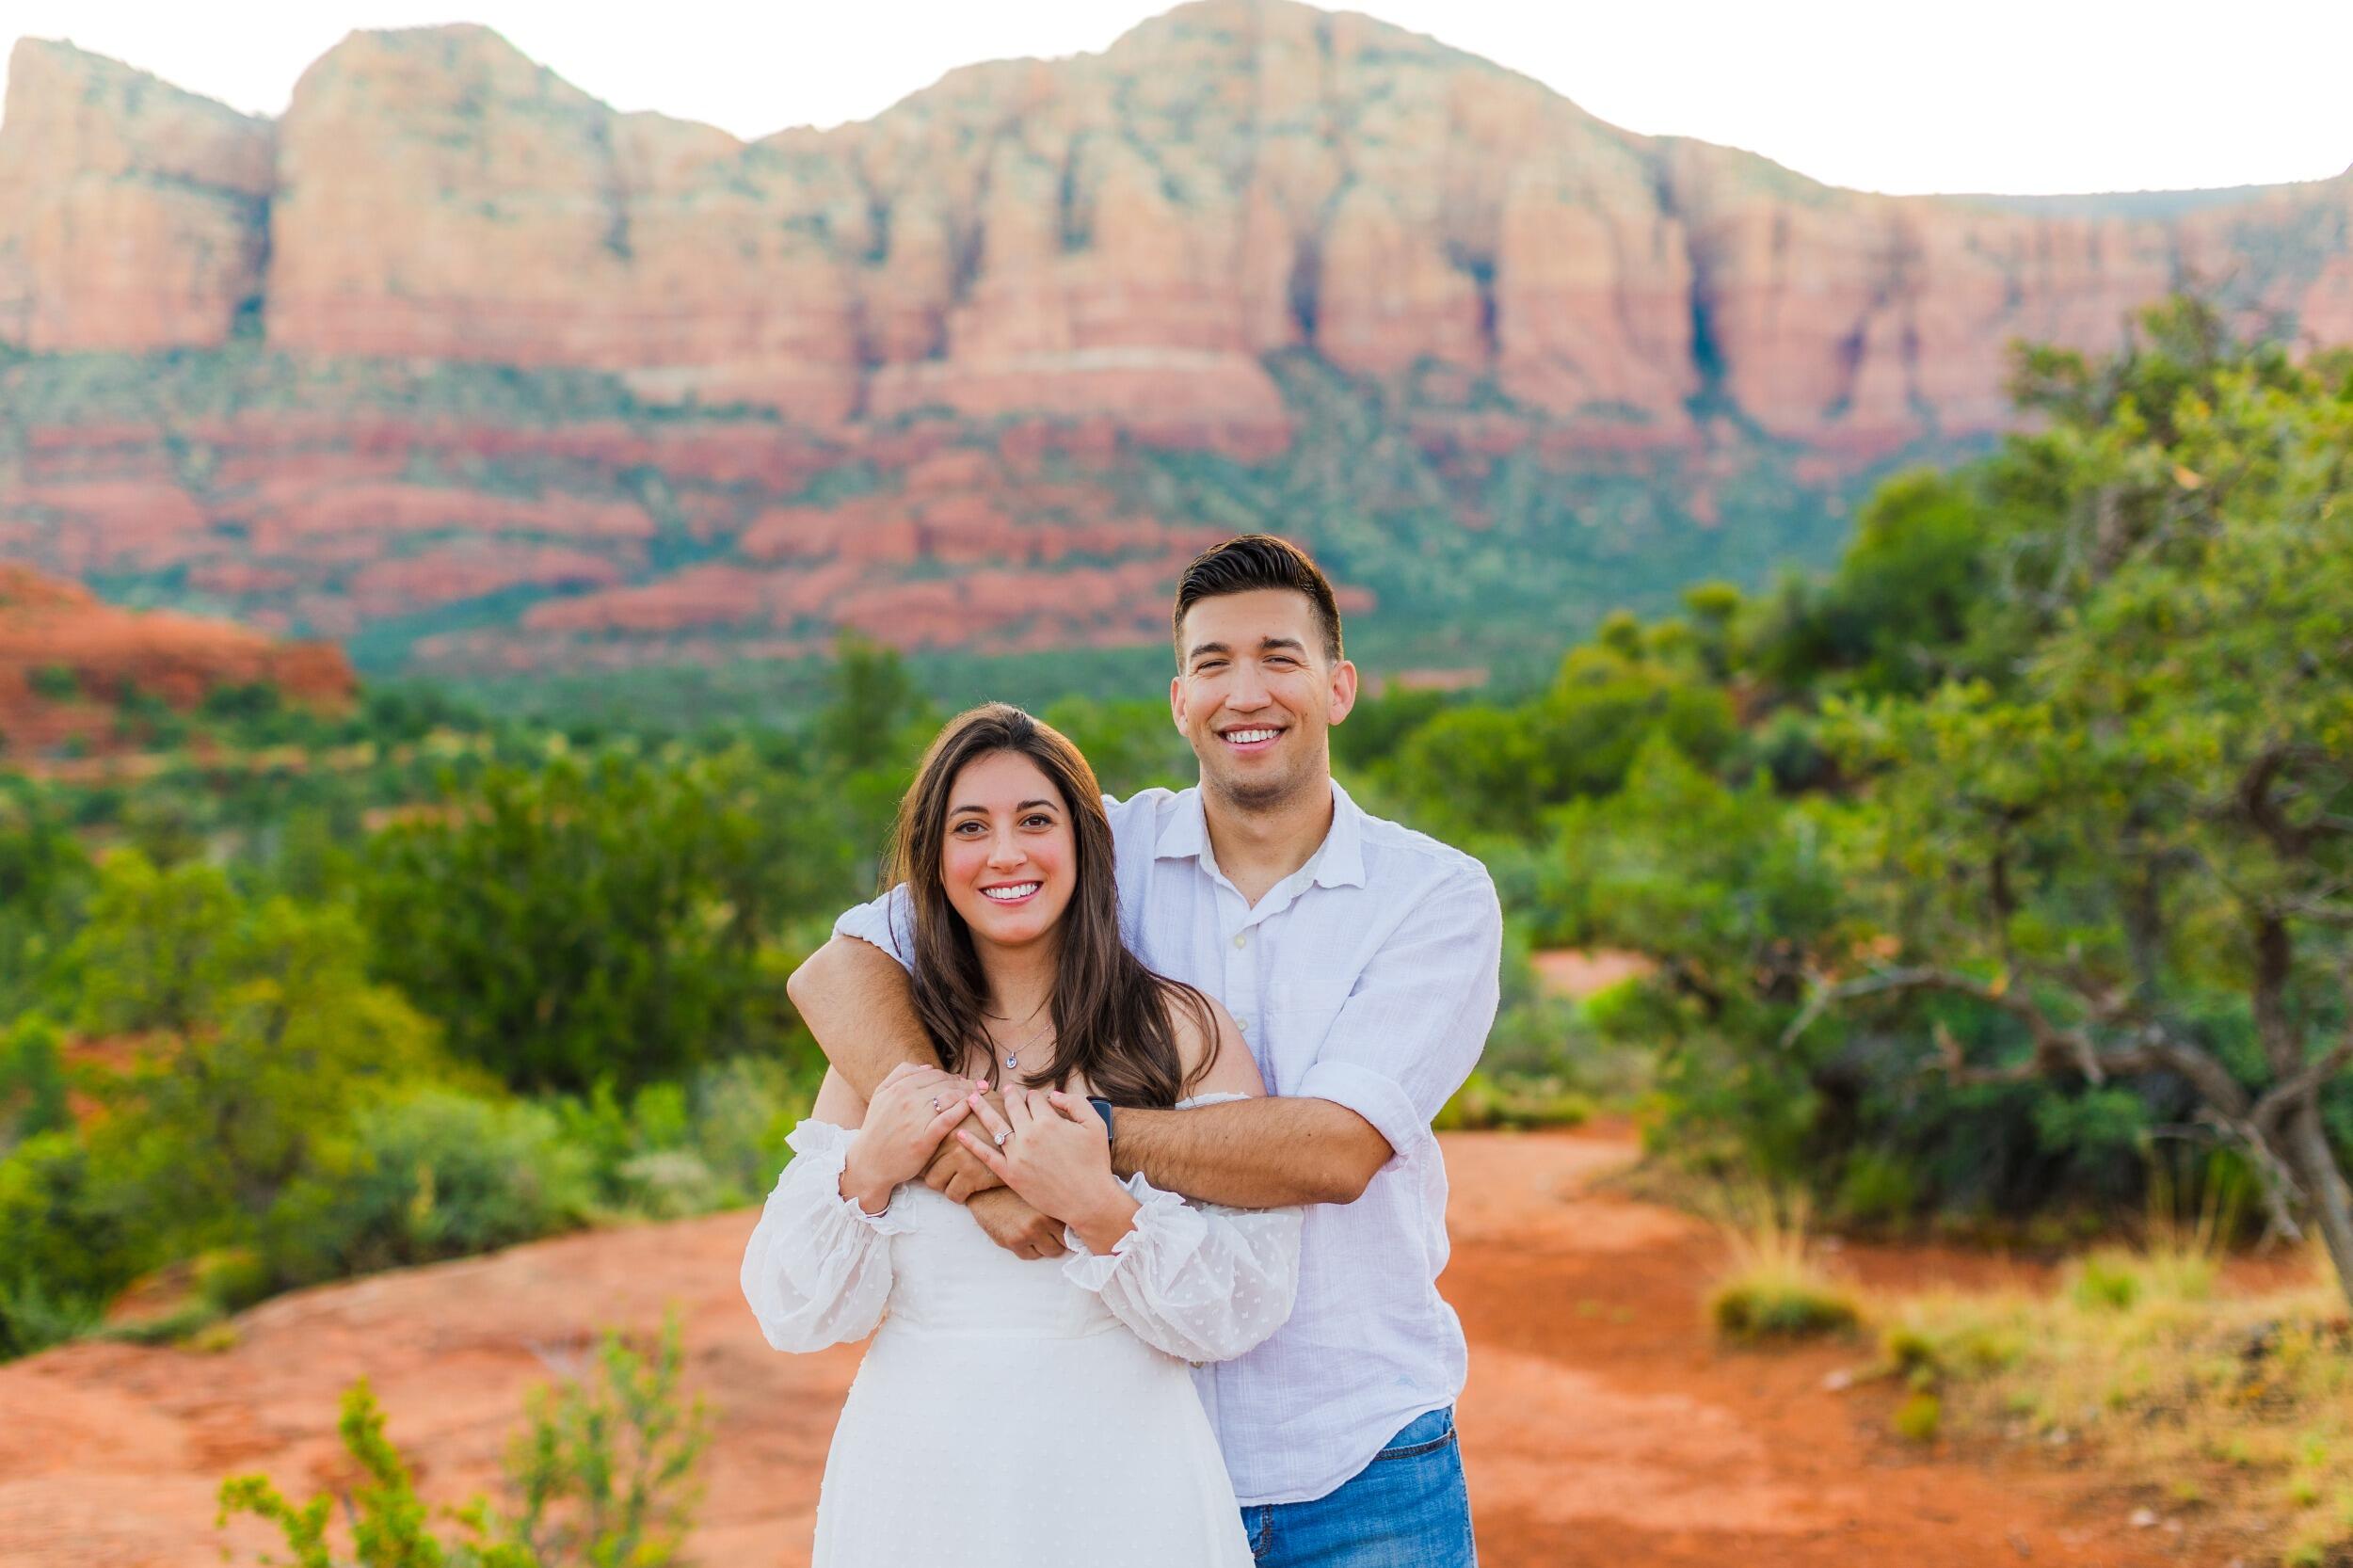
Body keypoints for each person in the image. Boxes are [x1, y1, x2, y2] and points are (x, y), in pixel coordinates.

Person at [792, 534, 1504, 1567]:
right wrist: (978, 1168)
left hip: (1356, 1465)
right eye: (1212, 663)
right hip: (1117, 1476)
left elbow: (1335, 1151)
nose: (1244, 692)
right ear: (1179, 700)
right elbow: (841, 964)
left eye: (1279, 657)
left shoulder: (1431, 897)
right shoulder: (1098, 847)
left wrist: (1082, 1149)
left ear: (1338, 686)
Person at [740, 703, 1304, 1568]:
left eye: (1035, 821)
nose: (1005, 854)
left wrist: (1101, 1210)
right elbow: (794, 1311)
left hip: (1126, 1488)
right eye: (972, 828)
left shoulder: (1180, 1032)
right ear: (934, 859)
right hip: (917, 1491)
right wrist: (868, 1170)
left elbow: (1248, 1304)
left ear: (1083, 841)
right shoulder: (884, 1054)